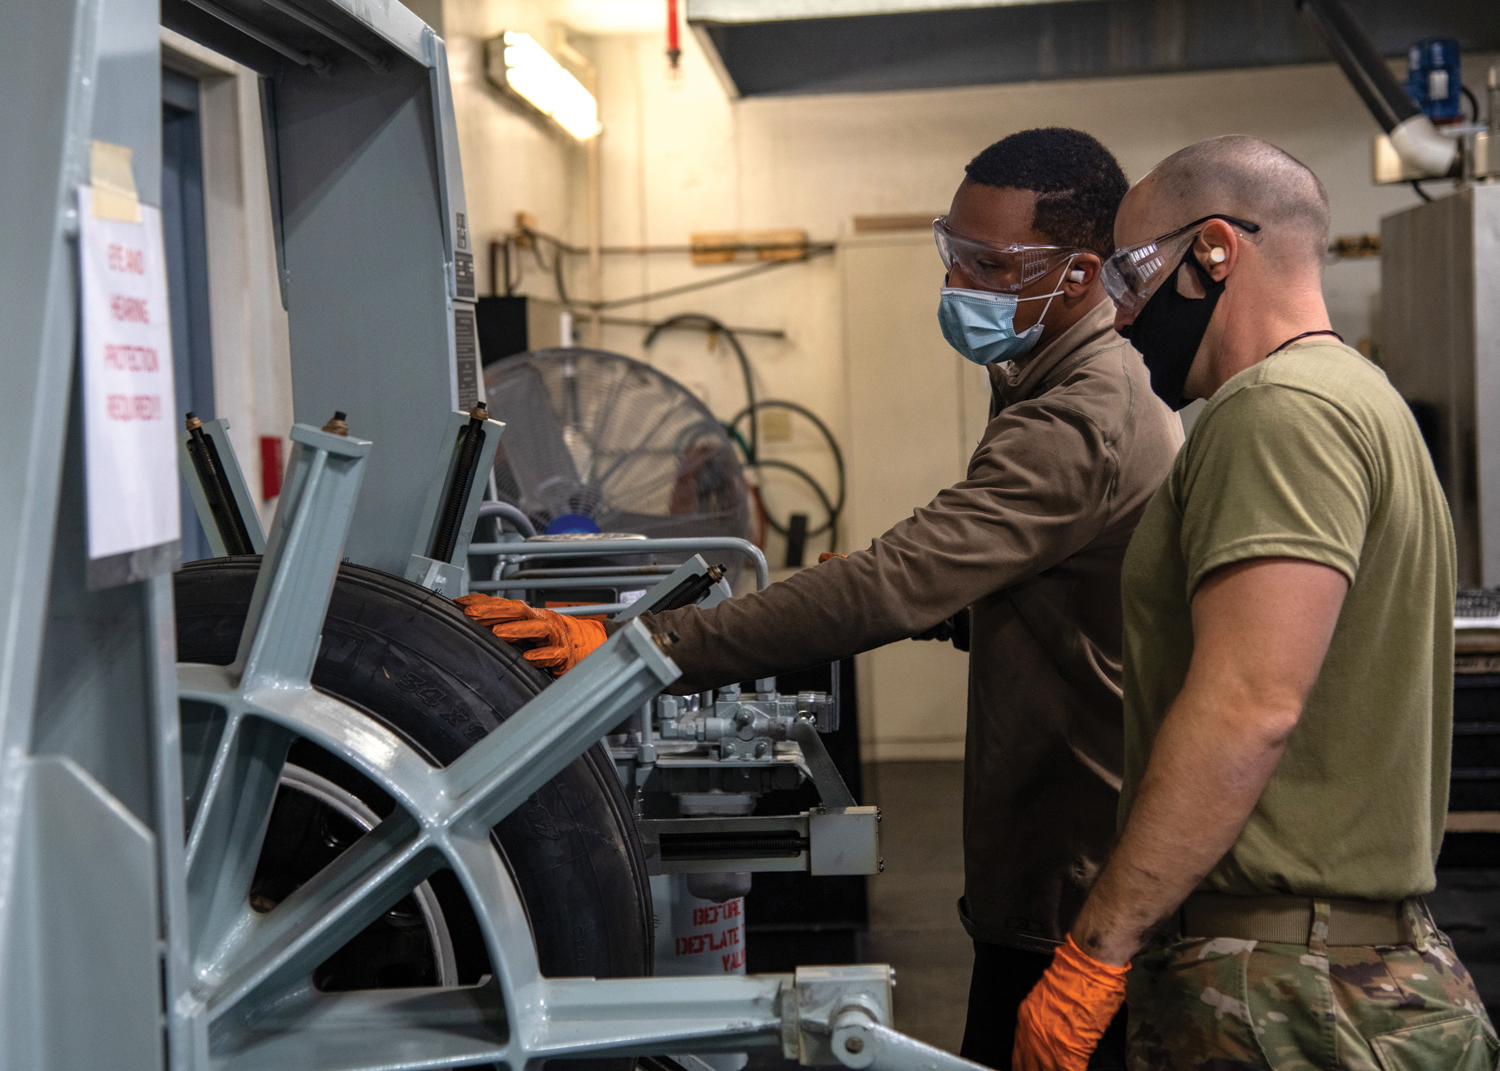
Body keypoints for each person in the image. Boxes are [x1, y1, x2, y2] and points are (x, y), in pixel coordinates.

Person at [459, 127, 1183, 1069]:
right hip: (1051, 857)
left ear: (1081, 272)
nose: (959, 282)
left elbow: (889, 582)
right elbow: (1075, 590)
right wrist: (957, 603)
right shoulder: (1055, 377)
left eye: (989, 264)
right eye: (950, 251)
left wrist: (628, 645)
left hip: (1071, 884)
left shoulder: (1078, 415)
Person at [1011, 135, 1497, 1071]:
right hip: (1336, 968)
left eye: (1132, 275)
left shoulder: (1276, 412)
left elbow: (1248, 706)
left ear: (1216, 252)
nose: (1117, 317)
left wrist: (1094, 950)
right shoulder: (1364, 400)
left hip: (1278, 990)